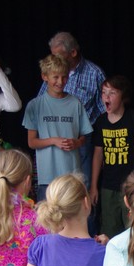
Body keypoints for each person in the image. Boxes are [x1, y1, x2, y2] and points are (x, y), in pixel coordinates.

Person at [40, 31, 107, 182]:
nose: (55, 60)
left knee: (81, 182)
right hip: (54, 137)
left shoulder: (94, 73)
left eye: (58, 55)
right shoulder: (52, 73)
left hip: (82, 139)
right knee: (55, 184)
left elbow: (104, 111)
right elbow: (41, 103)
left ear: (73, 53)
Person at [24, 54, 93, 201]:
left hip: (72, 175)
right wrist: (53, 140)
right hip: (47, 178)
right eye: (55, 77)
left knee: (72, 213)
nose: (60, 82)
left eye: (64, 77)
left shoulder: (75, 103)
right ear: (45, 76)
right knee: (47, 215)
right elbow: (32, 142)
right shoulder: (35, 105)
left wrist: (77, 142)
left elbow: (84, 136)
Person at [90, 75, 134, 237]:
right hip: (108, 186)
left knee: (133, 230)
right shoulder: (101, 122)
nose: (106, 97)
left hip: (130, 185)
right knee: (109, 232)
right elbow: (97, 156)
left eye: (112, 93)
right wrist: (93, 186)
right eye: (104, 92)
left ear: (123, 96)